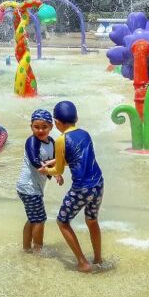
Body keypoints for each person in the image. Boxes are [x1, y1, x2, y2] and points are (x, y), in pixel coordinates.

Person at [43, 101, 104, 273]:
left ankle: (83, 262)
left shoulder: (61, 140)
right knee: (92, 220)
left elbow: (59, 169)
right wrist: (57, 160)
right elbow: (78, 159)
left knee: (62, 221)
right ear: (76, 118)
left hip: (81, 188)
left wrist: (45, 169)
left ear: (57, 123)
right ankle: (98, 258)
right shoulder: (85, 133)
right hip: (98, 184)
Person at [17, 109, 62, 252]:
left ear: (51, 127)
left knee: (33, 218)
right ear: (31, 127)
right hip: (27, 186)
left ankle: (26, 249)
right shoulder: (32, 141)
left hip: (35, 187)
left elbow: (53, 162)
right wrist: (49, 169)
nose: (40, 130)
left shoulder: (52, 142)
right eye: (36, 127)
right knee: (39, 219)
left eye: (44, 127)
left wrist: (56, 174)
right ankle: (38, 251)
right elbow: (35, 160)